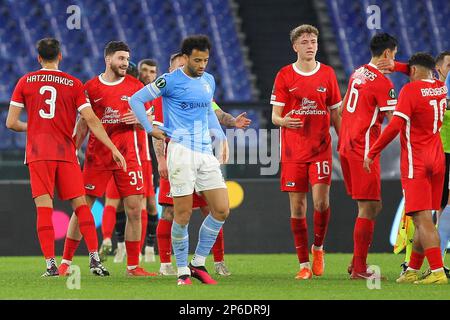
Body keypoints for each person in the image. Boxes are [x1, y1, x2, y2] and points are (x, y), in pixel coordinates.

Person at [5, 38, 126, 276]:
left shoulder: (25, 81)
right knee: (81, 207)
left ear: (38, 58)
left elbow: (10, 123)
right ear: (60, 56)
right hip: (66, 152)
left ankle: (51, 265)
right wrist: (112, 147)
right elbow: (91, 119)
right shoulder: (73, 83)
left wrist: (36, 127)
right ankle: (94, 260)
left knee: (44, 209)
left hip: (39, 153)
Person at [58, 41, 165, 277]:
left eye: (127, 59)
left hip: (129, 157)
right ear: (108, 59)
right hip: (98, 158)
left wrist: (138, 121)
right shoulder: (91, 87)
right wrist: (72, 151)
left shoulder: (136, 86)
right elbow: (83, 124)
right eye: (121, 58)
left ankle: (133, 266)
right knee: (82, 209)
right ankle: (65, 262)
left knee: (135, 210)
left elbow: (151, 119)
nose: (125, 63)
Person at [130, 35, 230, 285]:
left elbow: (208, 110)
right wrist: (149, 128)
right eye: (197, 60)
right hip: (181, 151)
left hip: (205, 152)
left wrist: (221, 136)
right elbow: (136, 100)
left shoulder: (209, 81)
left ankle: (198, 263)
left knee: (221, 209)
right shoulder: (170, 80)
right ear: (185, 58)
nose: (202, 65)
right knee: (182, 214)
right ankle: (182, 269)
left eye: (206, 60)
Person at [153, 52, 251, 276]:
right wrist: (160, 160)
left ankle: (217, 261)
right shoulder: (165, 96)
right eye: (180, 68)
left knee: (213, 208)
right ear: (171, 72)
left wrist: (233, 121)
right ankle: (167, 264)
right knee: (171, 212)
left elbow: (218, 113)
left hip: (202, 158)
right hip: (177, 160)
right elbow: (156, 132)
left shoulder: (201, 90)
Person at [364, 52, 448, 284]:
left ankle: (437, 272)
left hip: (416, 162)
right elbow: (419, 69)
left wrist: (372, 151)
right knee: (425, 217)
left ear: (412, 71)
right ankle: (413, 268)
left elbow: (394, 127)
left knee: (421, 219)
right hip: (438, 160)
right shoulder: (440, 87)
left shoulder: (409, 91)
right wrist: (398, 66)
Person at [270, 24, 342, 280]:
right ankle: (303, 264)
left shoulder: (328, 74)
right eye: (305, 42)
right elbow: (275, 116)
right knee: (298, 207)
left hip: (321, 149)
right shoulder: (284, 75)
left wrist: (343, 140)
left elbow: (335, 112)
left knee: (321, 202)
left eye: (313, 41)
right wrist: (284, 122)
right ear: (295, 46)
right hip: (293, 151)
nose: (310, 45)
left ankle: (318, 248)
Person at [338, 33, 399, 279]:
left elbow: (342, 108)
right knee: (370, 206)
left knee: (370, 206)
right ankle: (360, 270)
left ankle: (357, 263)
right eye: (393, 56)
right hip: (364, 150)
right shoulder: (384, 84)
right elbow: (396, 122)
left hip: (346, 145)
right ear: (387, 54)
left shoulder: (358, 72)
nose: (394, 61)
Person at [99, 60, 159, 264]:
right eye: (145, 71)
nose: (148, 74)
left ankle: (134, 247)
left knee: (129, 204)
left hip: (129, 155)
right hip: (134, 156)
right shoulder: (138, 93)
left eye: (152, 71)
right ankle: (133, 250)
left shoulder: (148, 95)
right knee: (134, 204)